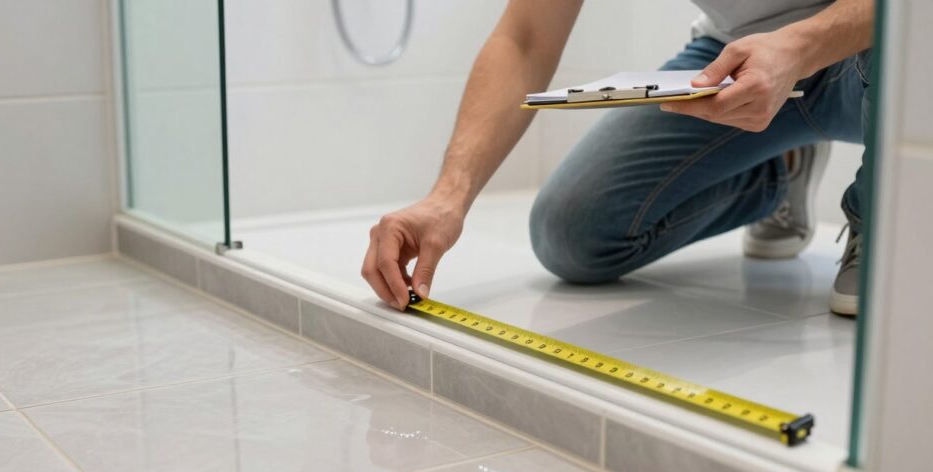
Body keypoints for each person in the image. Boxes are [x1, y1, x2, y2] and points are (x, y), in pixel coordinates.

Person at [360, 0, 873, 317]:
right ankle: (777, 166)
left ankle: (879, 212)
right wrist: (449, 196)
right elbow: (525, 37)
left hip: (871, 49)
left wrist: (801, 46)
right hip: (735, 58)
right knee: (574, 234)